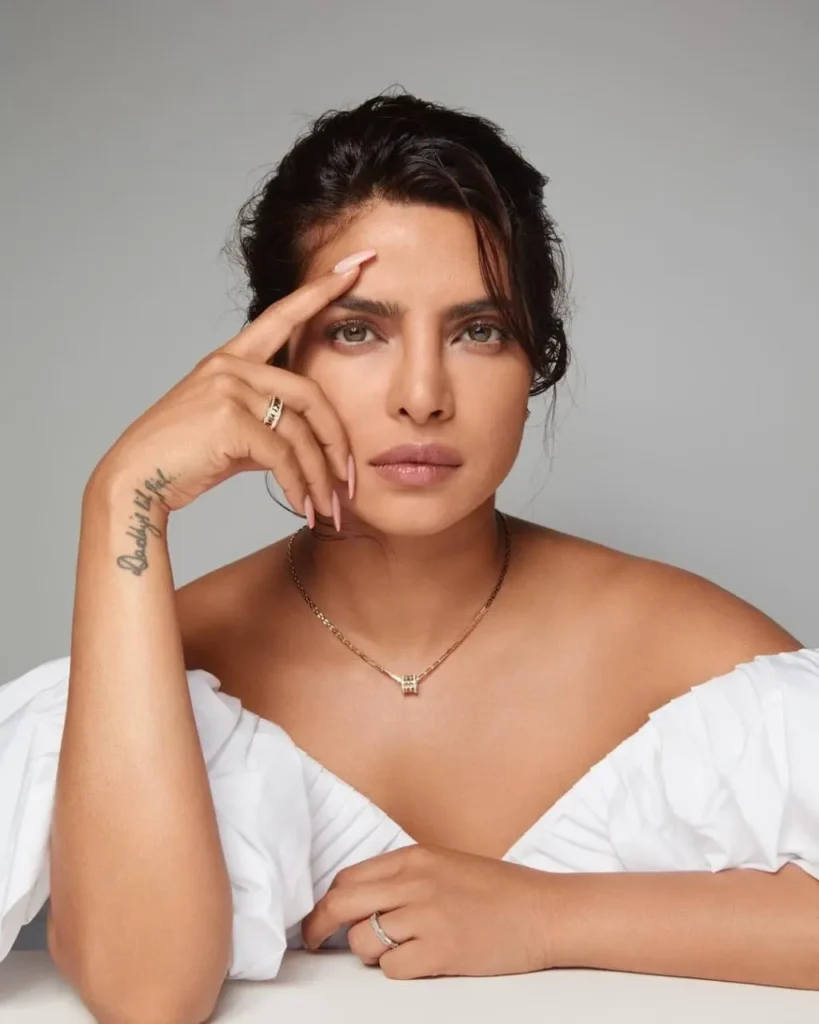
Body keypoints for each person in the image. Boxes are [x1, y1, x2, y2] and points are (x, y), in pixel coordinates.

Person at [2, 86, 819, 1020]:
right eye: (357, 331)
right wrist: (122, 499)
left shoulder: (686, 650)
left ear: (536, 361)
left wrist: (549, 917)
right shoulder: (162, 665)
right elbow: (146, 995)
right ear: (274, 362)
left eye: (479, 331)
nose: (422, 395)